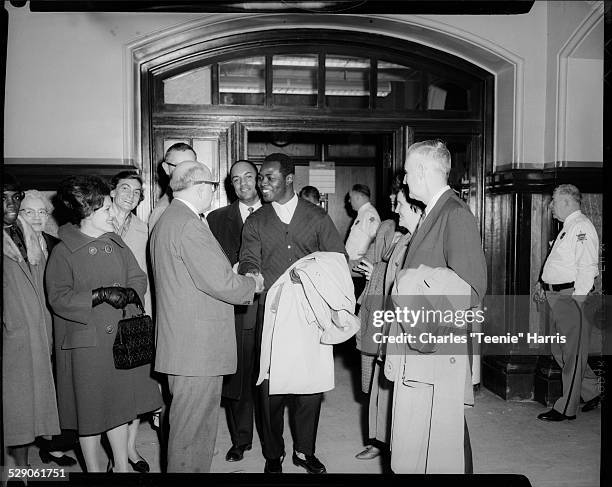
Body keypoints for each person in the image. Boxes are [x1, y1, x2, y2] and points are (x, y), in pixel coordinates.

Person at [150, 161, 264, 473]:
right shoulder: (188, 224)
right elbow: (223, 284)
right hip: (196, 350)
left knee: (191, 430)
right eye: (212, 187)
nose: (213, 193)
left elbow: (193, 276)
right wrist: (250, 283)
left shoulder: (170, 219)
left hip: (185, 345)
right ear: (202, 187)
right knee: (191, 435)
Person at [238, 153, 347, 474]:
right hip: (271, 316)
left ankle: (304, 451)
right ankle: (274, 453)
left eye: (269, 177)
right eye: (260, 178)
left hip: (310, 315)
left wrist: (311, 273)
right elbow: (248, 258)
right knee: (269, 390)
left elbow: (337, 259)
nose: (261, 184)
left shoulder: (316, 217)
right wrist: (252, 275)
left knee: (309, 389)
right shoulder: (256, 220)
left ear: (288, 179)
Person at [46, 175, 163, 473]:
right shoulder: (63, 251)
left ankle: (122, 467)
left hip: (118, 340)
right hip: (87, 345)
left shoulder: (116, 242)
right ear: (87, 214)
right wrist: (97, 296)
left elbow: (138, 276)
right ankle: (95, 471)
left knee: (120, 409)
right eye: (105, 210)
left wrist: (130, 292)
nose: (113, 214)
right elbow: (58, 298)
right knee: (91, 415)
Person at [388, 140, 487, 473]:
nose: (404, 179)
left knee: (443, 436)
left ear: (421, 170)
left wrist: (425, 316)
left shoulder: (454, 213)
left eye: (406, 171)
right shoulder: (435, 211)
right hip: (423, 337)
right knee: (432, 433)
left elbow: (472, 288)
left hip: (437, 341)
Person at [353, 185, 422, 461]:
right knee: (380, 378)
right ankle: (378, 440)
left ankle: (391, 442)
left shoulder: (421, 237)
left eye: (400, 203)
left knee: (397, 383)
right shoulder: (397, 232)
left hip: (404, 319)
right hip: (384, 313)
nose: (394, 208)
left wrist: (377, 271)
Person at [3, 174, 61, 472]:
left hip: (35, 334)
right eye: (4, 197)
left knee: (25, 411)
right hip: (11, 337)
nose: (10, 204)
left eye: (15, 197)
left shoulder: (31, 238)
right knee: (14, 409)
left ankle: (21, 470)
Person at [207, 160, 262, 463]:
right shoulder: (216, 219)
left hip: (270, 307)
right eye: (236, 179)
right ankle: (241, 439)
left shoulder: (276, 215)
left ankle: (272, 443)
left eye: (248, 177)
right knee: (238, 376)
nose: (243, 184)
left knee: (267, 377)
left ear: (258, 179)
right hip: (235, 309)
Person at [19, 189, 78, 467]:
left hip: (55, 323)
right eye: (28, 212)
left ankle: (52, 445)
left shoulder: (54, 244)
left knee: (56, 384)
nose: (37, 217)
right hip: (26, 325)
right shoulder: (13, 246)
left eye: (42, 212)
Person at [533, 184, 601, 421]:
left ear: (567, 202)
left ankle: (566, 408)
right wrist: (544, 286)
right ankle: (593, 390)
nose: (551, 206)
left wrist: (578, 301)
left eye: (554, 201)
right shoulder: (568, 228)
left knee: (571, 353)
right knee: (560, 350)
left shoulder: (581, 227)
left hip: (571, 298)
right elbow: (561, 266)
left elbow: (587, 268)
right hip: (557, 296)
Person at [108, 171, 154, 472]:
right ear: (112, 192)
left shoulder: (143, 228)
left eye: (136, 192)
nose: (130, 195)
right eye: (125, 188)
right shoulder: (96, 221)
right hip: (103, 313)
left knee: (136, 384)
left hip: (135, 314)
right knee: (110, 387)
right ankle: (114, 455)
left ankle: (130, 450)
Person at [148, 142, 197, 231]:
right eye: (179, 166)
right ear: (166, 168)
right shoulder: (163, 211)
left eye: (190, 166)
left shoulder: (194, 201)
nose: (186, 172)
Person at [345, 183, 381, 265]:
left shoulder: (369, 214)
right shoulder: (363, 213)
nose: (349, 201)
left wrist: (364, 260)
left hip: (358, 264)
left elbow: (377, 240)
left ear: (358, 197)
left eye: (350, 197)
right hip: (351, 263)